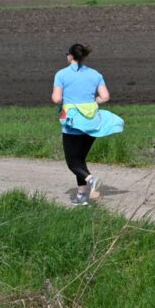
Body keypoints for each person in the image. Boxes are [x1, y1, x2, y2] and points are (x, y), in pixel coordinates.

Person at [52, 44, 124, 206]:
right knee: (80, 160)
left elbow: (56, 99)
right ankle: (82, 196)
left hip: (73, 123)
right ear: (84, 57)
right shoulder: (96, 75)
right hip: (92, 122)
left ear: (70, 56)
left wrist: (66, 102)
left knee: (72, 162)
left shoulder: (61, 74)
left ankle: (92, 179)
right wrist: (91, 102)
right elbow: (105, 97)